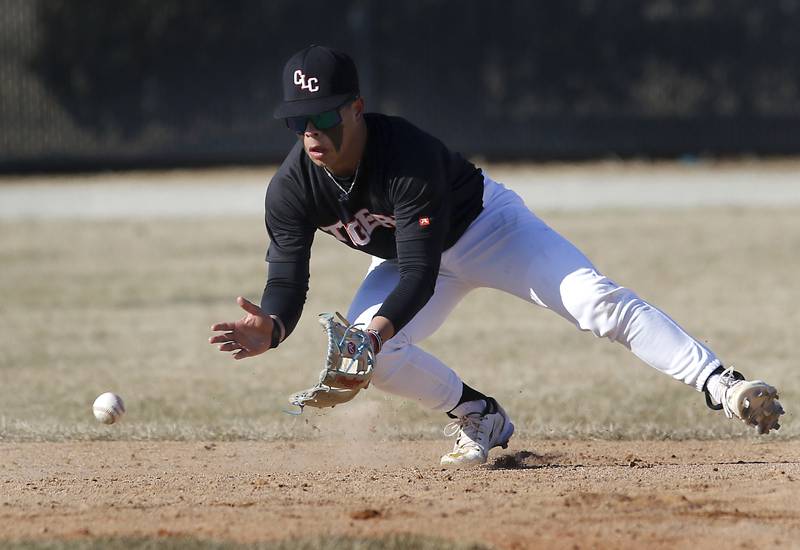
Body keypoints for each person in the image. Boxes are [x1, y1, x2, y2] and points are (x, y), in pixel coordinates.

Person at [209, 45, 784, 467]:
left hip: (487, 228)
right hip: (415, 260)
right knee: (368, 359)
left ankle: (722, 384)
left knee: (595, 301)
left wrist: (376, 330)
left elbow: (420, 270)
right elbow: (287, 276)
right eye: (297, 120)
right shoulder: (291, 189)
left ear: (356, 109)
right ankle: (479, 416)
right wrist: (274, 323)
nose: (311, 132)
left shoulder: (406, 154)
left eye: (325, 115)